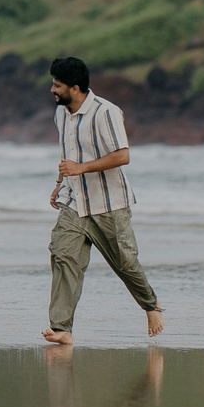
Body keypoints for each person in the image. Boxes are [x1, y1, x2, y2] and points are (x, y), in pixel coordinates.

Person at [42, 56, 164, 345]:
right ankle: (62, 329)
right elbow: (68, 156)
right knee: (63, 256)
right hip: (74, 202)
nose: (52, 90)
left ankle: (151, 305)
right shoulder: (61, 115)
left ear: (74, 88)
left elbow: (123, 155)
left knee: (125, 263)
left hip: (109, 203)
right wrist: (59, 184)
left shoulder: (105, 112)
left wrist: (80, 169)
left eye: (57, 85)